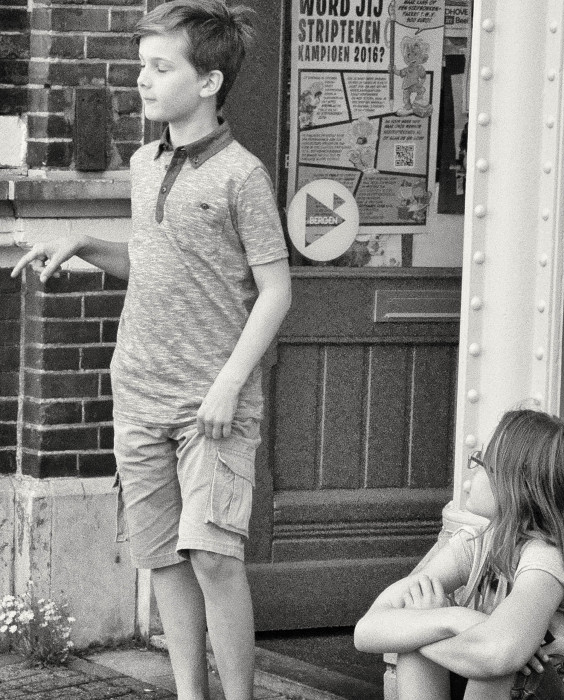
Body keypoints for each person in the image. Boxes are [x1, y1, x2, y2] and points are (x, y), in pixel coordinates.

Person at [11, 2, 291, 699]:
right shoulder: (144, 162)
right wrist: (85, 244)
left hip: (210, 407)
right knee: (162, 557)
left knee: (214, 556)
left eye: (160, 67)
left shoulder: (242, 176)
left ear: (209, 82)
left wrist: (229, 384)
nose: (143, 79)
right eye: (143, 64)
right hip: (137, 394)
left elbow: (277, 292)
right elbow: (158, 260)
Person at [354, 409, 564, 700]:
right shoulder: (478, 544)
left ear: (515, 485)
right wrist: (454, 618)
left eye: (482, 463)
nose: (472, 472)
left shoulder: (550, 557)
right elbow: (366, 630)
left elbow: (498, 655)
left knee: (475, 649)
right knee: (431, 630)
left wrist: (428, 626)